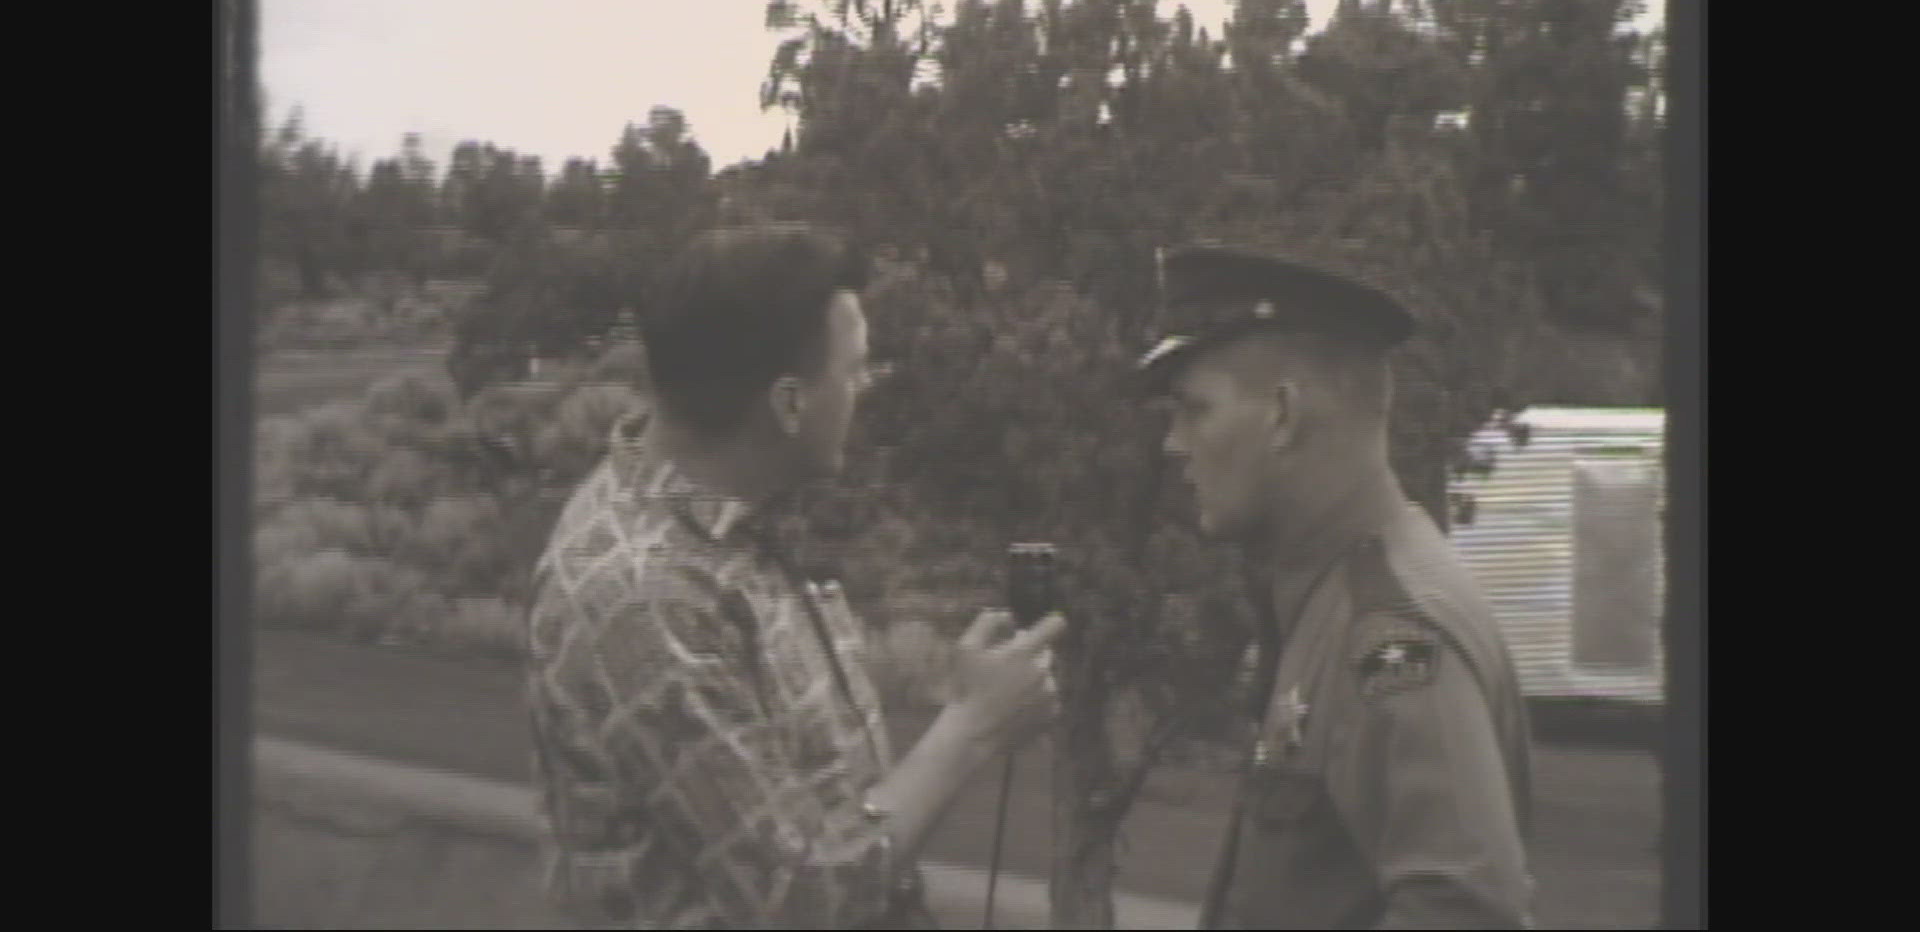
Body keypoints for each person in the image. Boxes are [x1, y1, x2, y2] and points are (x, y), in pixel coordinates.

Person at [525, 223, 1066, 929]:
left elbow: (827, 803)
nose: (866, 388)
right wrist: (971, 728)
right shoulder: (645, 597)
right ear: (788, 404)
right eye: (855, 370)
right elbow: (799, 898)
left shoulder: (727, 523)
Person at [1137, 245, 1534, 930]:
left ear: (1282, 415)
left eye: (1194, 411)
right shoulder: (1328, 595)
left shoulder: (1393, 635)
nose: (1174, 444)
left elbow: (1468, 914)